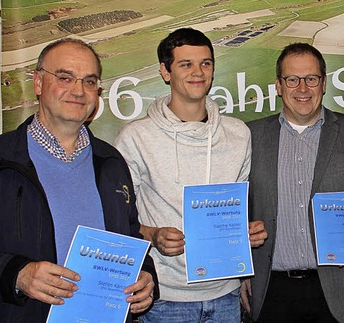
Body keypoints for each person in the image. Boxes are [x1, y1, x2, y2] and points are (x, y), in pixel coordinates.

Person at [0, 38, 157, 322]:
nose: (78, 91)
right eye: (65, 77)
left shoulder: (112, 161)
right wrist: (17, 274)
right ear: (38, 83)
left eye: (89, 81)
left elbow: (130, 237)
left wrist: (146, 277)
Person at [113, 28, 267, 323]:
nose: (198, 72)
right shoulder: (135, 137)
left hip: (225, 293)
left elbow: (237, 208)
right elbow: (118, 218)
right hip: (166, 298)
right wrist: (153, 236)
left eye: (205, 63)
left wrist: (246, 232)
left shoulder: (238, 134)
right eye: (186, 64)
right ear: (165, 71)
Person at [240, 43, 344, 323]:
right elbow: (241, 208)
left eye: (311, 79)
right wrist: (242, 267)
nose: (302, 88)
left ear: (324, 84)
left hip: (339, 289)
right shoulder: (250, 136)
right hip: (271, 289)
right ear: (279, 86)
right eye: (292, 79)